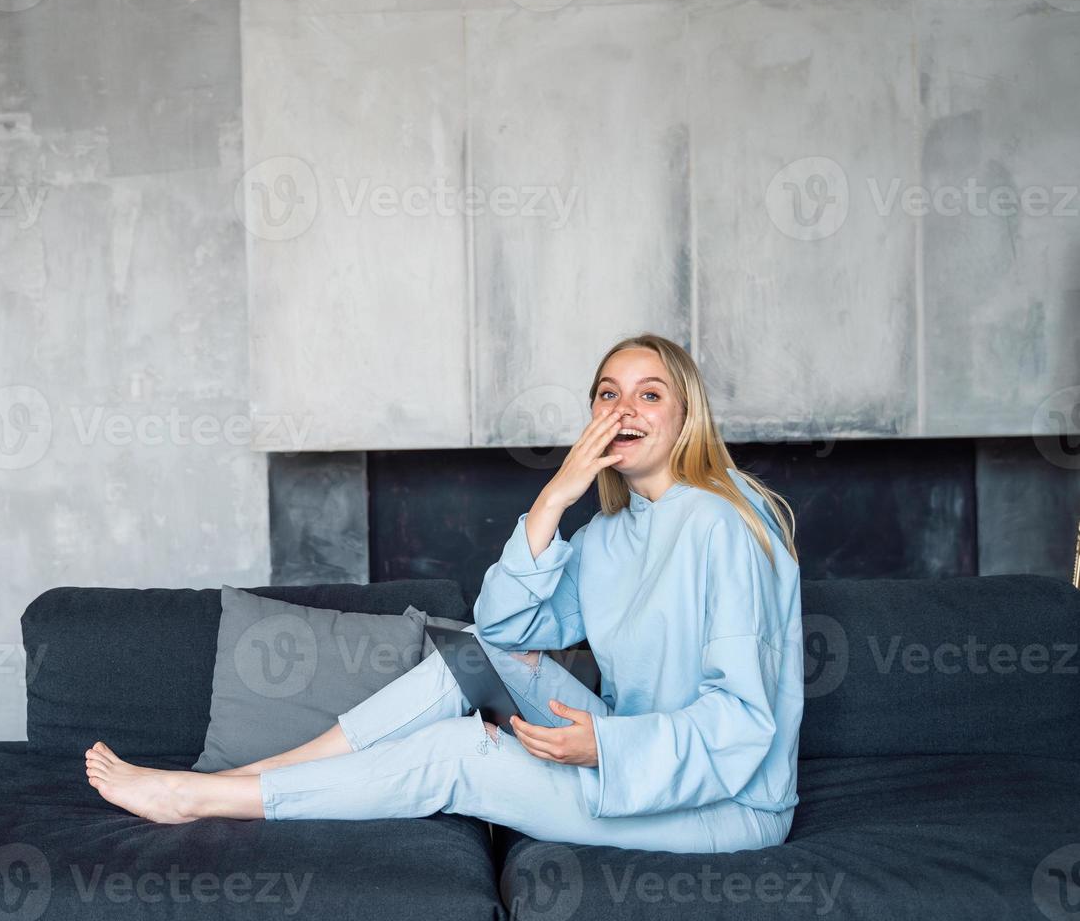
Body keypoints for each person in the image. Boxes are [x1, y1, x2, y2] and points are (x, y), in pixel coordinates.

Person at [84, 332, 804, 854]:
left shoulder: (725, 523)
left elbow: (744, 723)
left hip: (727, 801)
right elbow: (502, 629)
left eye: (651, 395)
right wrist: (553, 500)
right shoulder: (611, 534)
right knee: (472, 655)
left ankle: (201, 796)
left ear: (688, 415)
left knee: (460, 757)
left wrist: (605, 748)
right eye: (608, 395)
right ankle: (265, 773)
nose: (625, 411)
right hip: (631, 748)